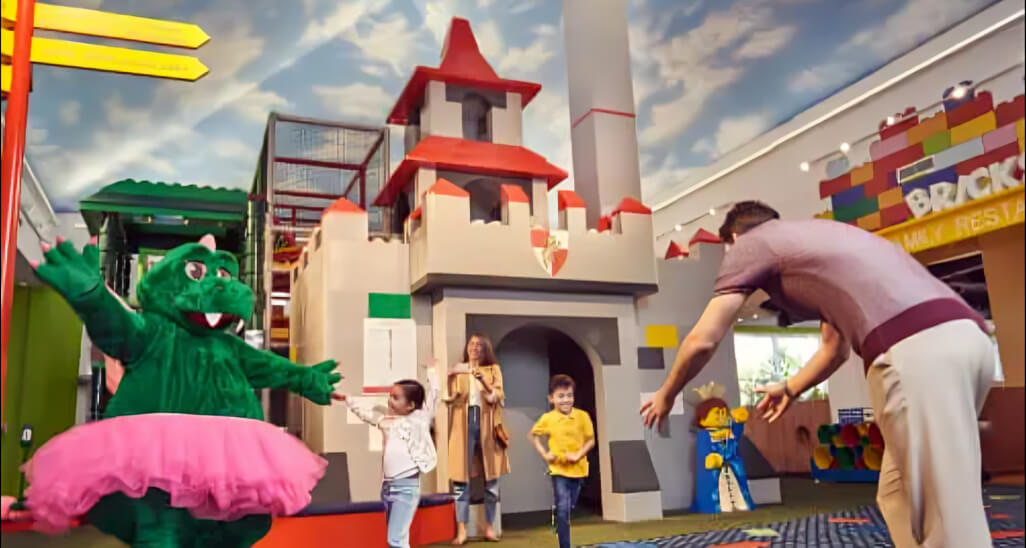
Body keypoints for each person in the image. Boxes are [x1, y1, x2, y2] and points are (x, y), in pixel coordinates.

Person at [640, 201, 994, 548]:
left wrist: (666, 394)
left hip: (916, 352)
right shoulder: (826, 238)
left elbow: (703, 340)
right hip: (968, 340)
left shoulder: (749, 243)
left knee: (948, 516)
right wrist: (790, 387)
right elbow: (834, 348)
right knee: (897, 493)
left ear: (733, 238)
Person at [25, 235, 340, 547]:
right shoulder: (155, 332)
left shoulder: (229, 346)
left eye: (224, 275)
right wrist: (93, 297)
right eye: (196, 272)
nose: (219, 284)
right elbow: (116, 327)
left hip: (227, 455)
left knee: (238, 521)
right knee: (159, 519)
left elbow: (273, 367)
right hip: (156, 450)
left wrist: (308, 378)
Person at [335, 362, 440, 548]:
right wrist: (348, 399)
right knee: (397, 539)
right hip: (388, 488)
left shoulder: (419, 421)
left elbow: (433, 397)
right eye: (390, 396)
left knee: (395, 540)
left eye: (396, 398)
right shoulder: (387, 422)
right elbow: (366, 414)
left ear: (411, 405)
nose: (390, 400)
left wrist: (432, 373)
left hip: (406, 489)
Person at [445, 333, 510, 544]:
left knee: (491, 479)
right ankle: (462, 530)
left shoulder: (493, 370)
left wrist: (482, 380)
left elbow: (498, 397)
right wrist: (449, 377)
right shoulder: (460, 369)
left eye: (479, 344)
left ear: (485, 349)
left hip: (487, 423)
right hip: (463, 423)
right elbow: (450, 399)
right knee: (460, 478)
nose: (474, 347)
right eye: (471, 344)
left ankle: (489, 527)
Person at [528, 375, 595, 548]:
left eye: (569, 395)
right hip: (558, 470)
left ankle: (558, 516)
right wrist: (545, 455)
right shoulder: (548, 418)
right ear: (551, 399)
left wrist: (578, 455)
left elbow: (591, 441)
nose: (566, 400)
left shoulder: (582, 416)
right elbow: (533, 435)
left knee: (568, 507)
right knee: (563, 507)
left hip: (579, 470)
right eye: (561, 396)